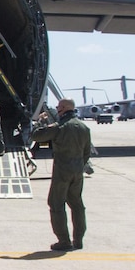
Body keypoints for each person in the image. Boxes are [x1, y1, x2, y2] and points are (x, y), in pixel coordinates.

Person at [36, 97, 95, 251]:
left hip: (62, 170)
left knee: (56, 204)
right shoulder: (83, 127)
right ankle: (78, 240)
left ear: (63, 108)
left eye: (58, 106)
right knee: (77, 204)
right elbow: (87, 152)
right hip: (77, 170)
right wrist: (79, 165)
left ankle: (64, 241)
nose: (57, 108)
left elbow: (36, 136)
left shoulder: (60, 126)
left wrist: (41, 122)